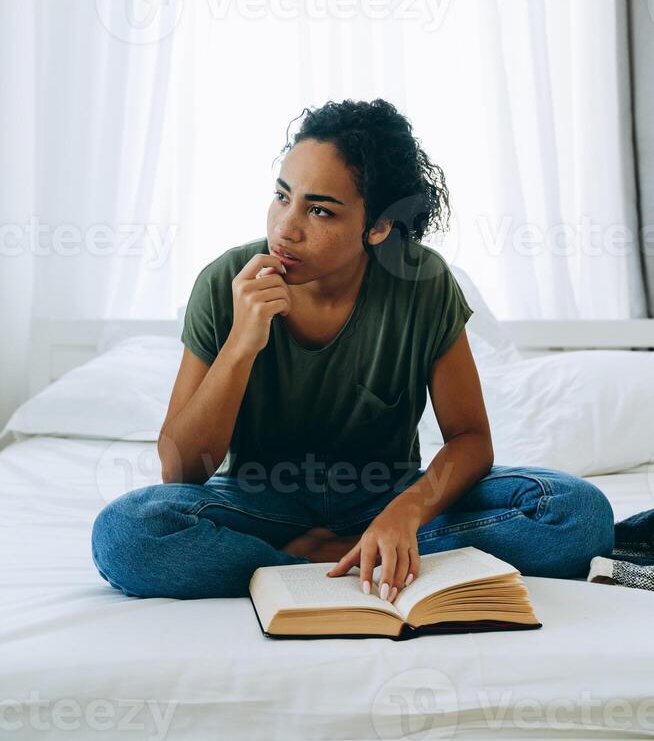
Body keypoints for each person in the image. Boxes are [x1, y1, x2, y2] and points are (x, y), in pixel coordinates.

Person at [91, 99, 615, 601]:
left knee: (575, 514)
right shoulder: (226, 281)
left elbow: (471, 440)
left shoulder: (422, 282)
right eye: (281, 195)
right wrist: (241, 345)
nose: (285, 228)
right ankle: (352, 560)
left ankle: (351, 552)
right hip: (260, 502)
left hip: (388, 497)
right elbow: (181, 472)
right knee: (128, 534)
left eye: (319, 210)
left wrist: (405, 513)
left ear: (379, 226)